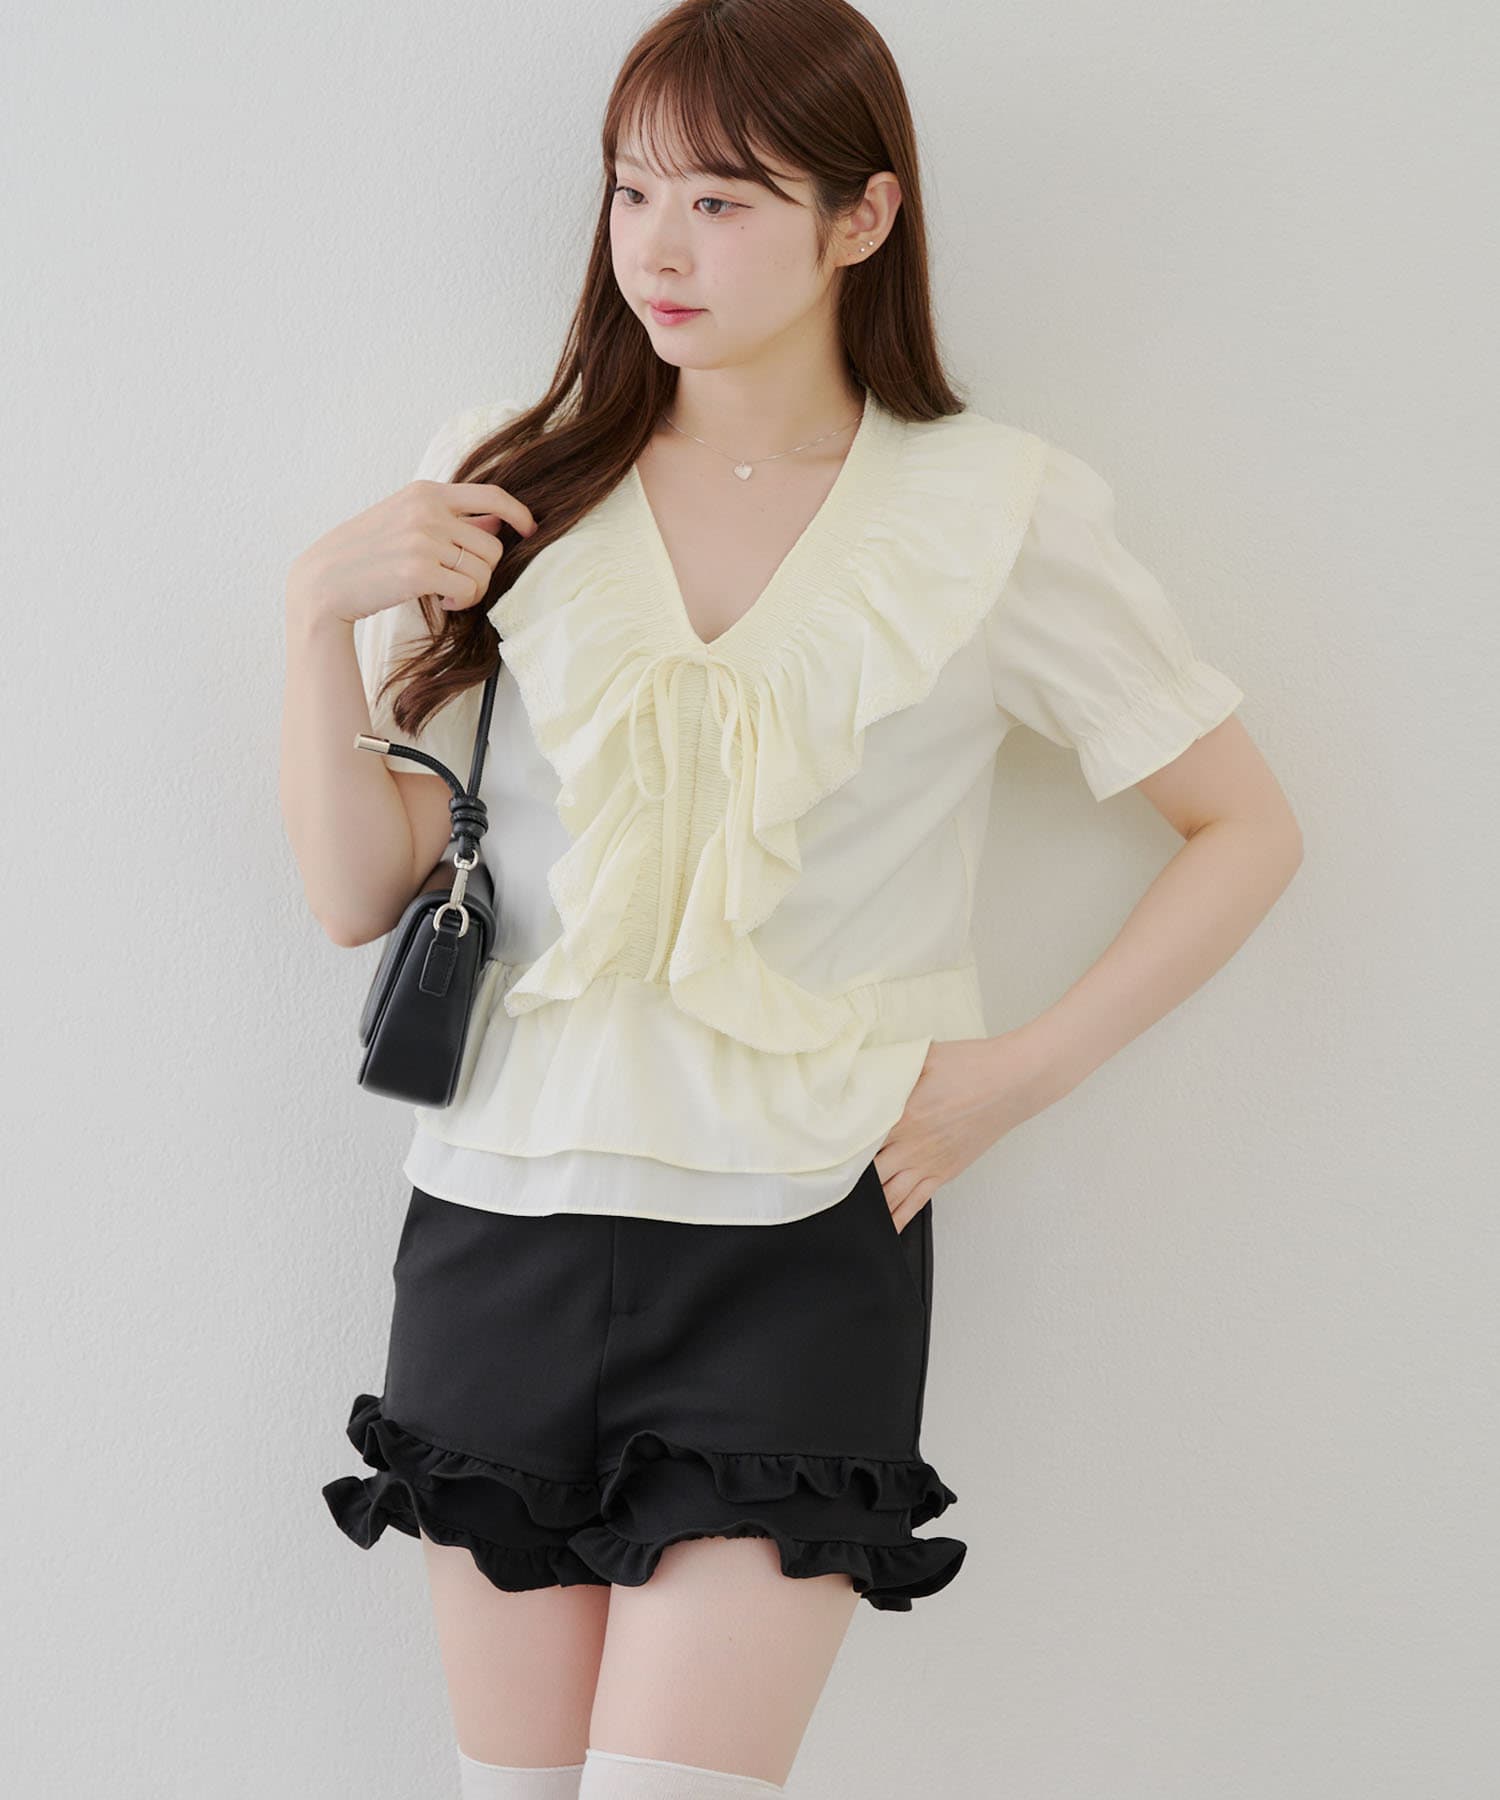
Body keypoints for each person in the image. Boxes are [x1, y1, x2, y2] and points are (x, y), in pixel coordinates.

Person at [280, 3, 1302, 1795]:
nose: (659, 249)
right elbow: (358, 891)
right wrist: (312, 614)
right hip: (500, 1217)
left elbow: (1245, 828)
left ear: (863, 217)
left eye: (724, 200)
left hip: (798, 1234)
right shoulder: (515, 472)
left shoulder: (988, 511)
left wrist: (1013, 1078)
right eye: (632, 193)